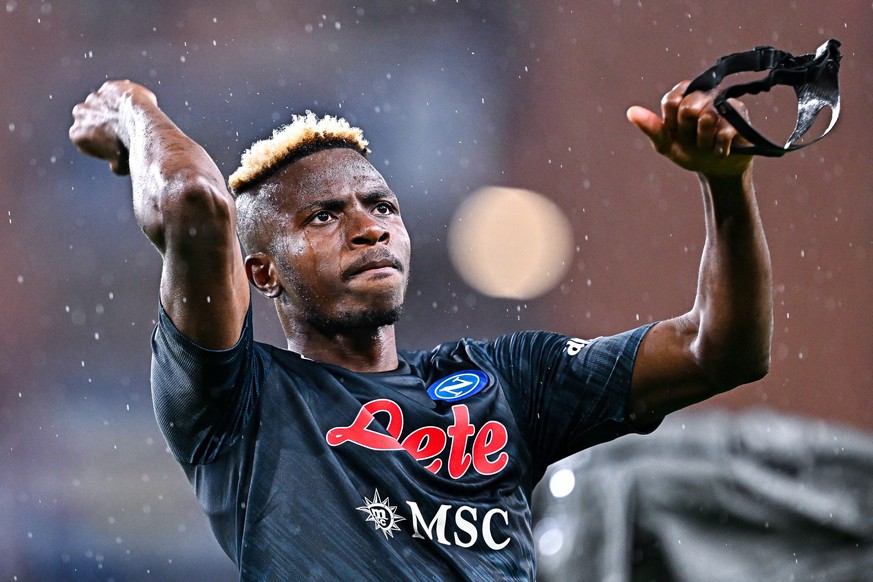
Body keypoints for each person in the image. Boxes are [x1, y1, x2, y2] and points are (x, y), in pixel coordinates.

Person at [68, 76, 772, 580]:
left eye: (381, 205)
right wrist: (133, 109)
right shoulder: (240, 404)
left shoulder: (506, 379)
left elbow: (720, 350)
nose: (368, 226)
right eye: (323, 215)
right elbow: (194, 200)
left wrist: (724, 180)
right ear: (263, 275)